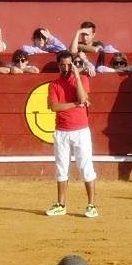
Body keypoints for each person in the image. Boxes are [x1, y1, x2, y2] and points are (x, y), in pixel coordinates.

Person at [45, 50, 98, 218]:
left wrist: (77, 74)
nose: (66, 67)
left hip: (81, 131)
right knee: (61, 169)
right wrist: (76, 103)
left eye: (69, 64)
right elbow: (55, 107)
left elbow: (83, 98)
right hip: (62, 131)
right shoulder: (54, 84)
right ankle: (61, 204)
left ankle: (91, 205)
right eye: (63, 64)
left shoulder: (82, 79)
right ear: (58, 65)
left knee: (86, 168)